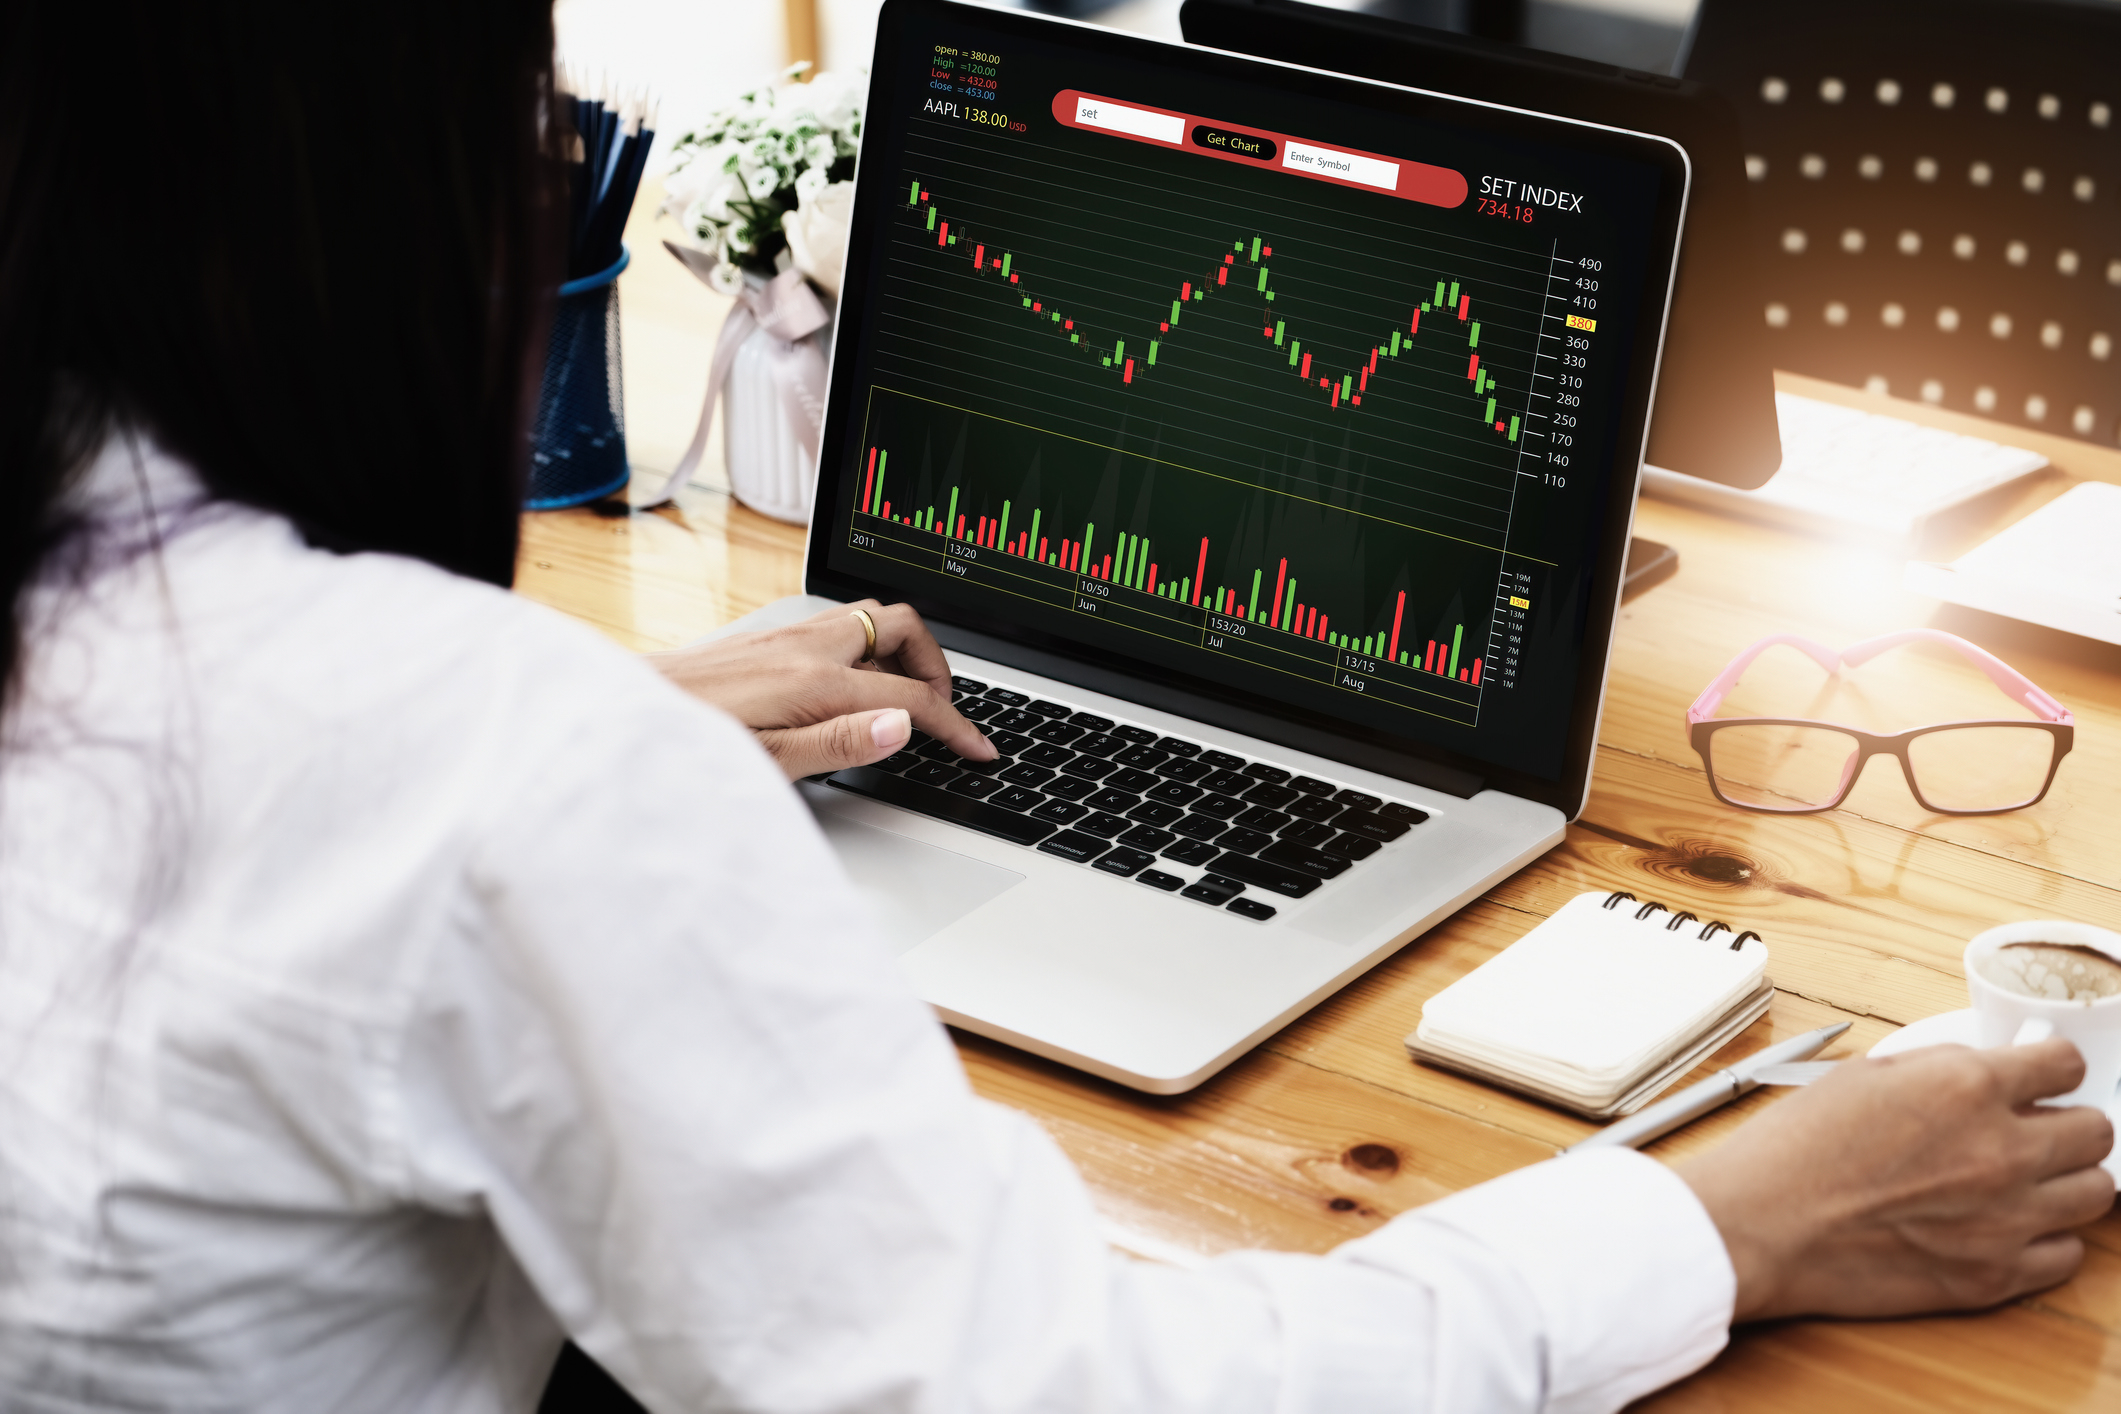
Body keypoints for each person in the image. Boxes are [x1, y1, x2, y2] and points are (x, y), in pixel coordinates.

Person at [0, 3, 2110, 1411]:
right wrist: (1734, 1211)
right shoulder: (481, 772)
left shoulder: (266, 679)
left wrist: (619, 728)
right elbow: (1049, 1385)